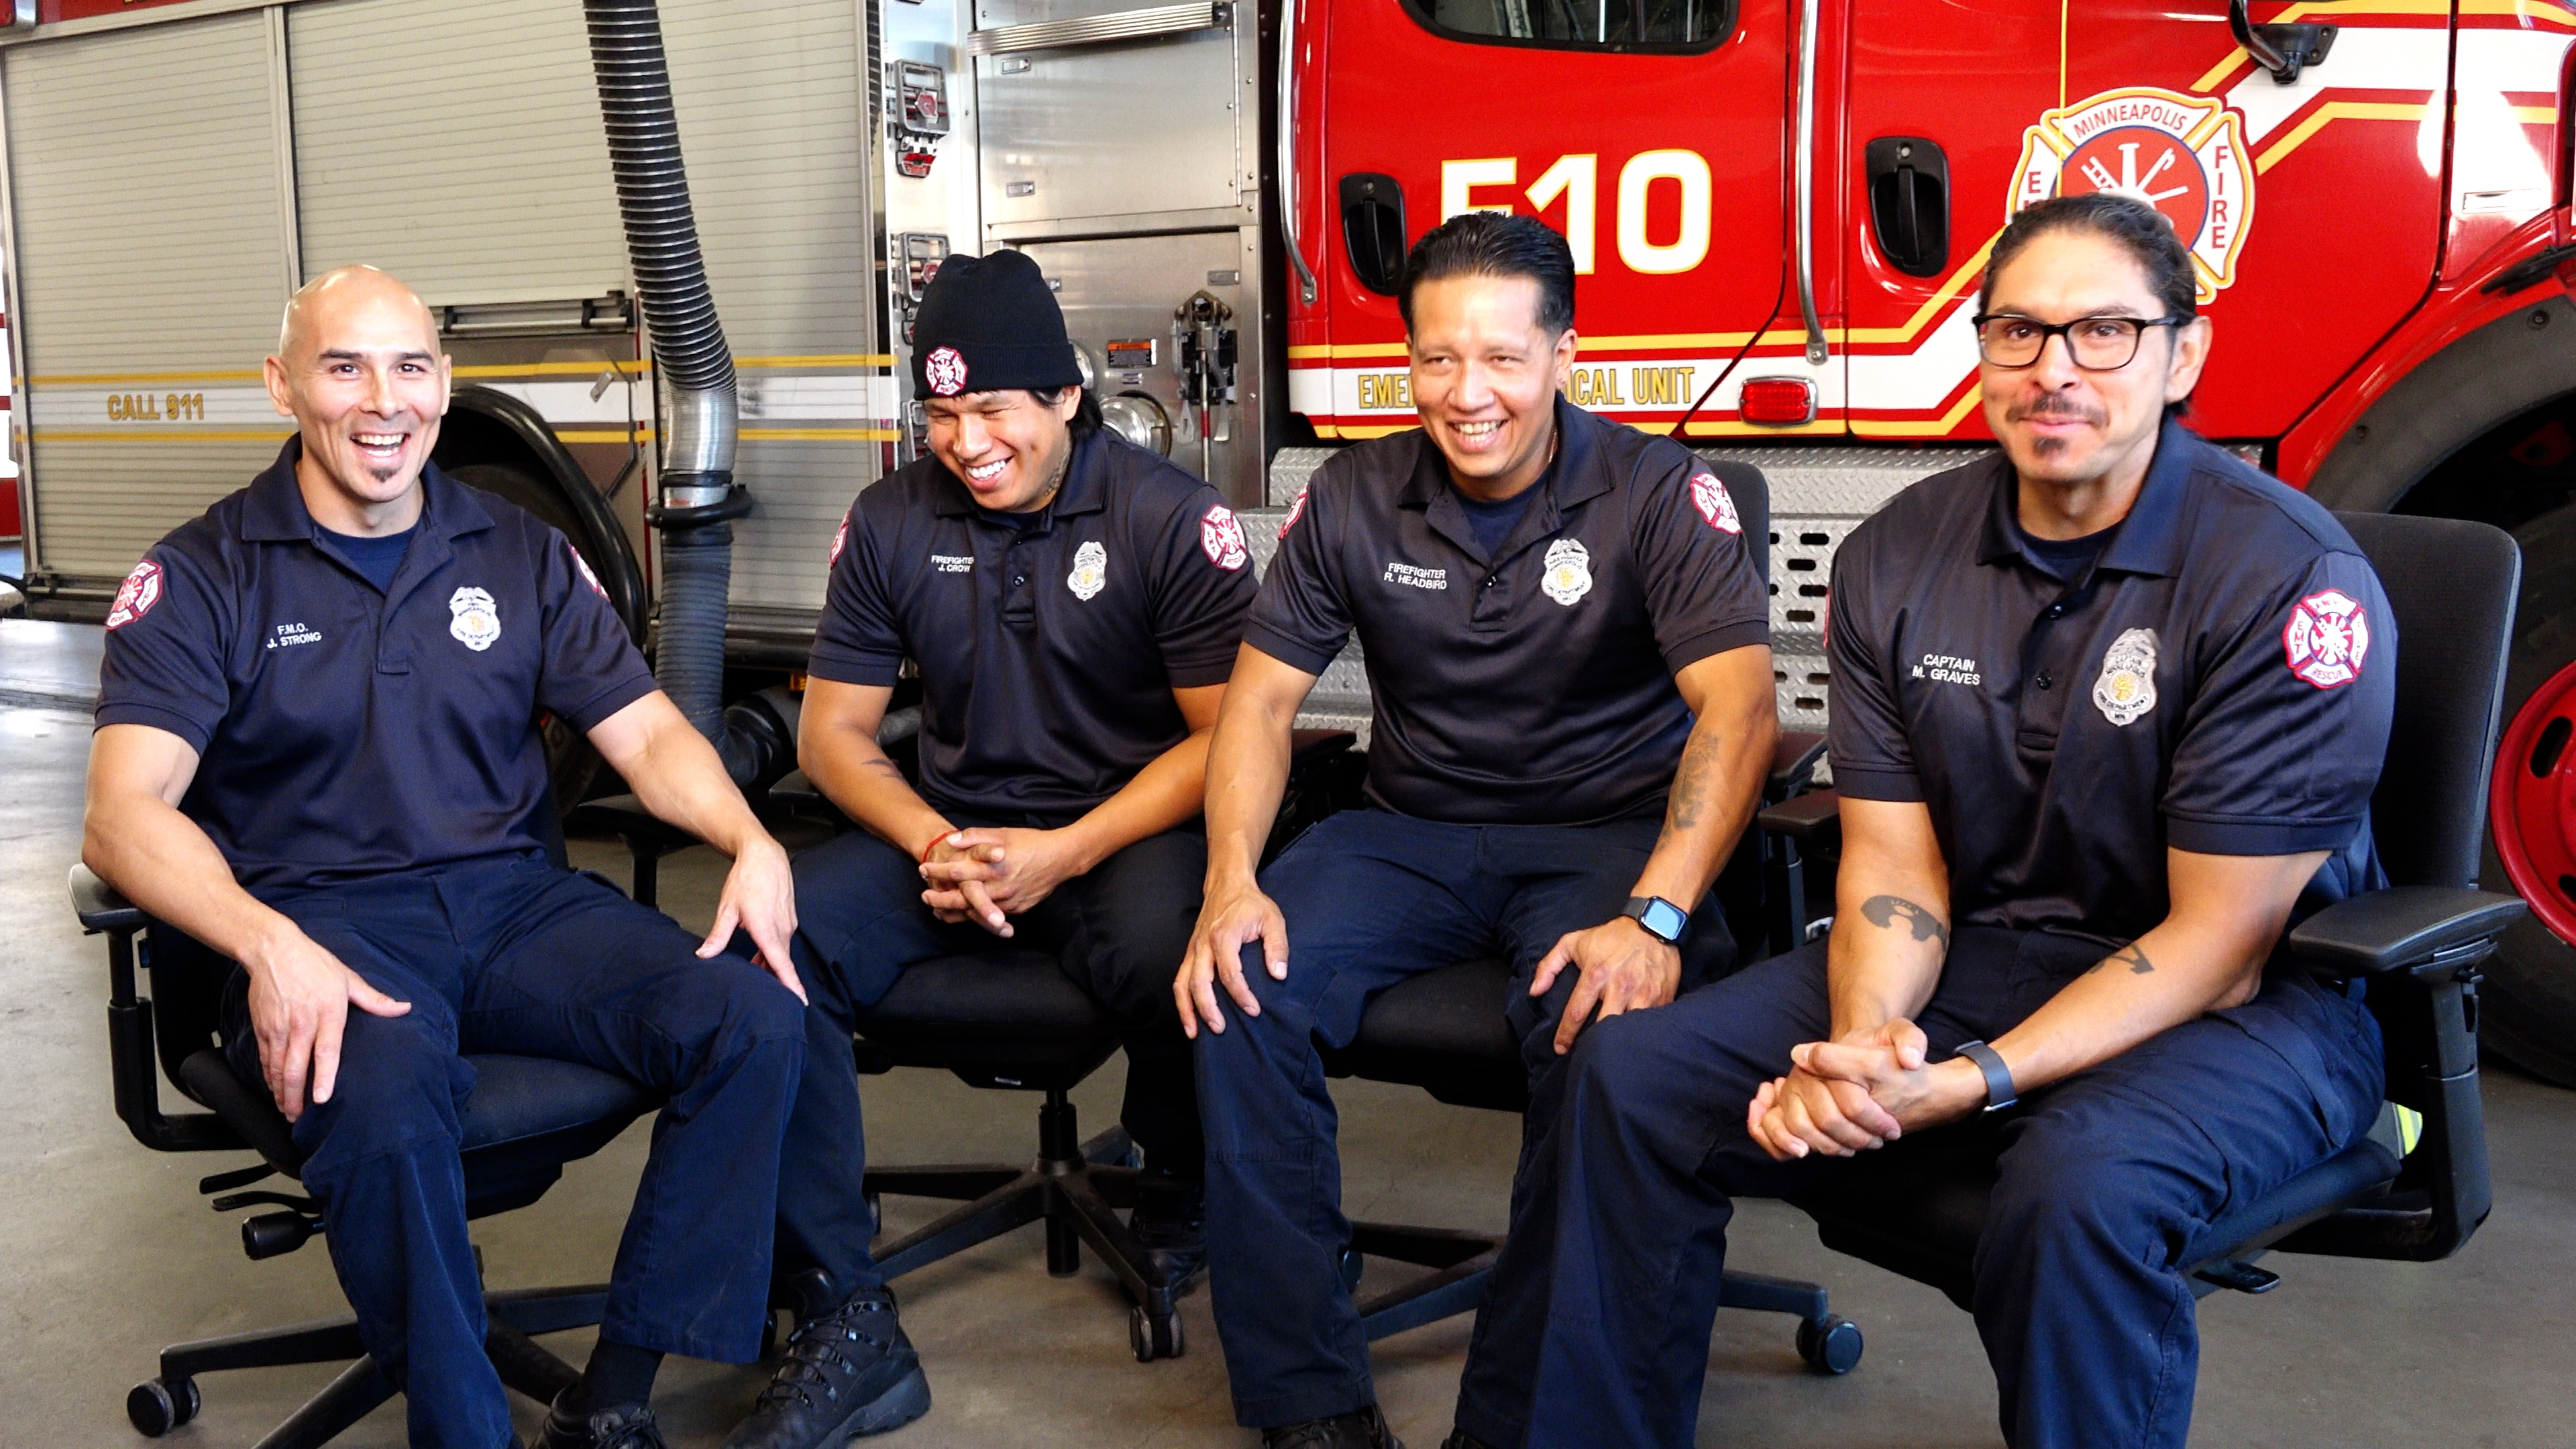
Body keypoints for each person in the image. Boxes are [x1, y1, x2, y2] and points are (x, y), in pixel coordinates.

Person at [1469, 191, 2396, 1449]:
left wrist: (1962, 1084)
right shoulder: (1899, 555)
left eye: (2103, 334)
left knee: (2080, 1190)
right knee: (1628, 1074)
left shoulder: (2285, 578)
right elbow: (1895, 863)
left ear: (2185, 355)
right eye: (2017, 332)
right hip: (1980, 955)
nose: (2053, 371)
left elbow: (2220, 947)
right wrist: (1867, 1048)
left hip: (2252, 1009)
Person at [83, 267, 809, 1449]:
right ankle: (463, 1428)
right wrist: (268, 946)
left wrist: (749, 836)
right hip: (319, 923)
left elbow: (649, 734)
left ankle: (613, 1396)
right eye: (344, 366)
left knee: (753, 1015)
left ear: (445, 384)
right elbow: (122, 815)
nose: (385, 402)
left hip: (514, 909)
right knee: (374, 1082)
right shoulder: (206, 573)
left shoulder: (517, 553)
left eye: (411, 367)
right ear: (283, 385)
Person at [1176, 212, 1779, 1449]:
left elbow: (1741, 708)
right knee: (1236, 986)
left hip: (1606, 834)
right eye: (1439, 359)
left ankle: (1519, 1423)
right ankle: (1309, 1405)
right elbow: (1258, 705)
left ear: (1567, 353)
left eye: (1504, 357)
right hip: (1410, 832)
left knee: (1601, 1023)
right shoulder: (1351, 494)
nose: (1470, 394)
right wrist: (1228, 883)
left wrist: (1656, 916)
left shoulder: (1664, 494)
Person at [738, 248, 1258, 1448]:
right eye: (939, 413)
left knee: (1182, 950)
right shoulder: (888, 517)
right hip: (954, 830)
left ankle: (1178, 1185)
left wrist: (1065, 852)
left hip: (1122, 825)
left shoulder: (1171, 521)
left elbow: (1225, 743)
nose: (964, 442)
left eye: (990, 411)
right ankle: (835, 1299)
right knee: (773, 941)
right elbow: (832, 736)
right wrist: (936, 838)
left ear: (1066, 397)